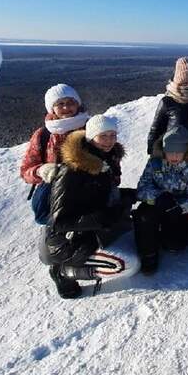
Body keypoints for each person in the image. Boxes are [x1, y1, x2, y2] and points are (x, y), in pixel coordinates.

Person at [40, 115, 130, 299]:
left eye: (113, 135)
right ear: (90, 137)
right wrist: (103, 218)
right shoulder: (71, 171)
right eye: (103, 136)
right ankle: (62, 272)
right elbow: (59, 222)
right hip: (66, 241)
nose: (109, 140)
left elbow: (99, 194)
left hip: (90, 230)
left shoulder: (103, 160)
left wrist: (134, 194)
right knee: (126, 264)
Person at [133, 124, 188, 274]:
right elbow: (141, 189)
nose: (174, 156)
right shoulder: (155, 163)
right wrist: (158, 197)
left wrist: (179, 207)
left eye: (179, 151)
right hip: (155, 204)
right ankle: (148, 255)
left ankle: (164, 237)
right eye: (170, 151)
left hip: (176, 210)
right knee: (144, 216)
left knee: (176, 245)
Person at [19, 84, 96, 223]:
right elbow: (26, 170)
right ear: (52, 108)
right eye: (60, 104)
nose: (66, 108)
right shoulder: (43, 134)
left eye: (71, 102)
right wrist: (40, 171)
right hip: (56, 190)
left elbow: (110, 154)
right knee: (46, 218)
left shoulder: (91, 127)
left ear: (78, 104)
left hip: (88, 186)